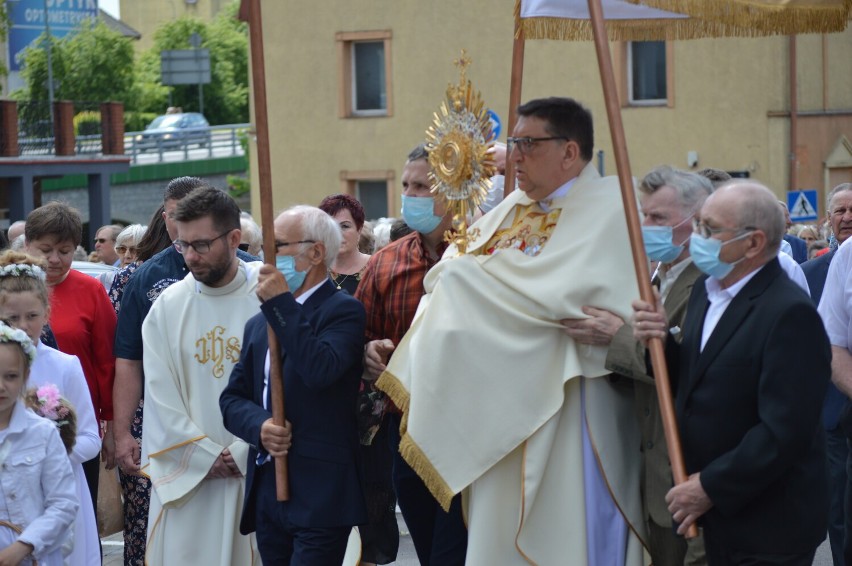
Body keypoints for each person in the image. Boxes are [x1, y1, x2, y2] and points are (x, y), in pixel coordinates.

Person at [374, 97, 646, 564]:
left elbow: (570, 300)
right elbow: (447, 277)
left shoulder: (613, 206)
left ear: (569, 151)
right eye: (513, 142)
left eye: (527, 143)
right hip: (494, 401)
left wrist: (476, 286)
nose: (512, 155)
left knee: (565, 530)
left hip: (569, 402)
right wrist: (472, 285)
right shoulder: (510, 209)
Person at [634, 181, 830, 565]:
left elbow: (784, 432)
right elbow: (694, 379)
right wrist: (657, 342)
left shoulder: (789, 314)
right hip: (720, 519)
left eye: (709, 229)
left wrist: (709, 486)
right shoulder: (707, 293)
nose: (696, 237)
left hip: (769, 527)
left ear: (754, 243)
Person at [564, 165, 712, 566]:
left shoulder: (710, 283)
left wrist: (619, 337)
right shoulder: (654, 275)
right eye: (643, 215)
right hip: (654, 484)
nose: (646, 226)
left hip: (695, 481)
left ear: (695, 221)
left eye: (658, 218)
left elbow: (693, 367)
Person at [111, 178, 256, 565]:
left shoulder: (269, 294)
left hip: (258, 465)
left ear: (234, 238)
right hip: (192, 475)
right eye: (182, 244)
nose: (190, 256)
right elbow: (159, 395)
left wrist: (245, 451)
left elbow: (285, 384)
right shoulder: (167, 306)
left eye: (201, 245)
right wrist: (202, 455)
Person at [221, 205, 367, 564]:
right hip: (270, 489)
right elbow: (232, 399)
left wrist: (282, 304)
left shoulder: (342, 311)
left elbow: (320, 369)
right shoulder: (259, 324)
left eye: (278, 247)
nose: (266, 259)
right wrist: (261, 426)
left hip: (321, 493)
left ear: (315, 252)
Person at [355, 144, 468, 565]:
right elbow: (362, 339)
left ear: (455, 192)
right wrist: (368, 352)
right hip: (406, 432)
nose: (409, 195)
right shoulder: (384, 264)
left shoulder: (486, 255)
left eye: (422, 186)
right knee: (428, 549)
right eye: (406, 185)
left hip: (472, 431)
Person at [0, 251, 101, 566]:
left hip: (59, 488)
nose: (22, 326)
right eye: (11, 319)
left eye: (31, 316)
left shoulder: (65, 365)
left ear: (46, 313)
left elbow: (90, 437)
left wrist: (50, 456)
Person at [24, 201, 116, 518]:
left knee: (78, 518)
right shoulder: (7, 290)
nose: (54, 259)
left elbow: (107, 363)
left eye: (64, 250)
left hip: (76, 428)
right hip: (15, 422)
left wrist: (112, 427)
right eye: (45, 249)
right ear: (26, 245)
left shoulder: (90, 290)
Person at [0, 321, 78, 566]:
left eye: (10, 376)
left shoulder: (43, 433)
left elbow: (64, 502)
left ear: (25, 376)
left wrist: (23, 546)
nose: (1, 386)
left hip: (39, 557)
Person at [808, 182, 852, 566]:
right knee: (838, 507)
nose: (848, 217)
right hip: (832, 408)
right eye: (840, 210)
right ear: (828, 218)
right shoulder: (810, 272)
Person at [319, 194, 371, 294]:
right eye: (331, 227)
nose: (337, 233)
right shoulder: (314, 271)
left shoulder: (377, 267)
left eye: (345, 226)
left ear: (359, 229)